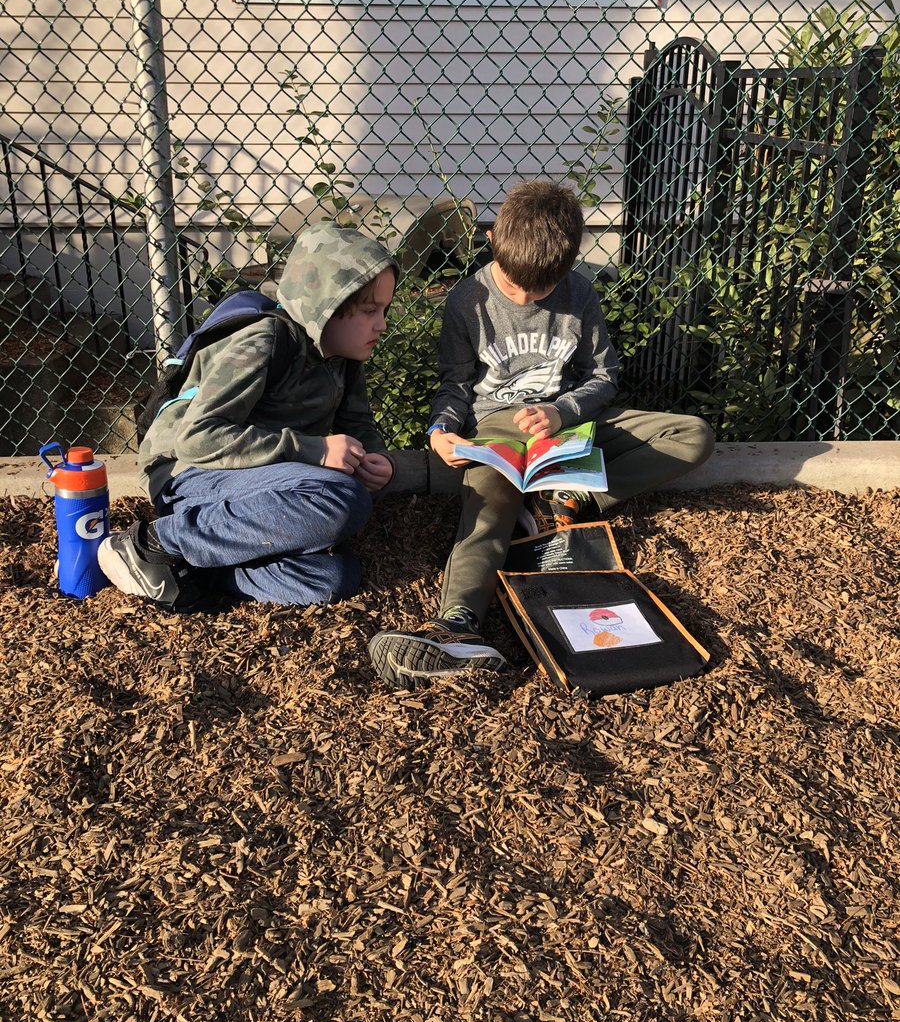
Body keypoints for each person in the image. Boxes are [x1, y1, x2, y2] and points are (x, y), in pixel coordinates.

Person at [368, 179, 714, 688]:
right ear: (492, 242)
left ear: (571, 263)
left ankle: (569, 492)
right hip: (497, 432)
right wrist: (442, 428)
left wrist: (561, 411)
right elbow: (455, 384)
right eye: (514, 285)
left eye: (542, 289)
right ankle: (458, 624)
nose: (526, 296)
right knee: (487, 513)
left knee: (693, 435)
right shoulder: (468, 299)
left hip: (569, 426)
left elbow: (603, 378)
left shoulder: (581, 293)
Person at [99, 222, 400, 611]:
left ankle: (194, 571)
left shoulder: (343, 358)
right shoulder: (265, 341)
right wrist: (314, 450)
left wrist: (379, 460)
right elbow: (198, 438)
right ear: (325, 305)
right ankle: (154, 544)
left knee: (334, 577)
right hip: (189, 474)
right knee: (339, 497)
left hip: (258, 483)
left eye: (385, 310)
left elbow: (357, 426)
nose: (382, 324)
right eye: (370, 311)